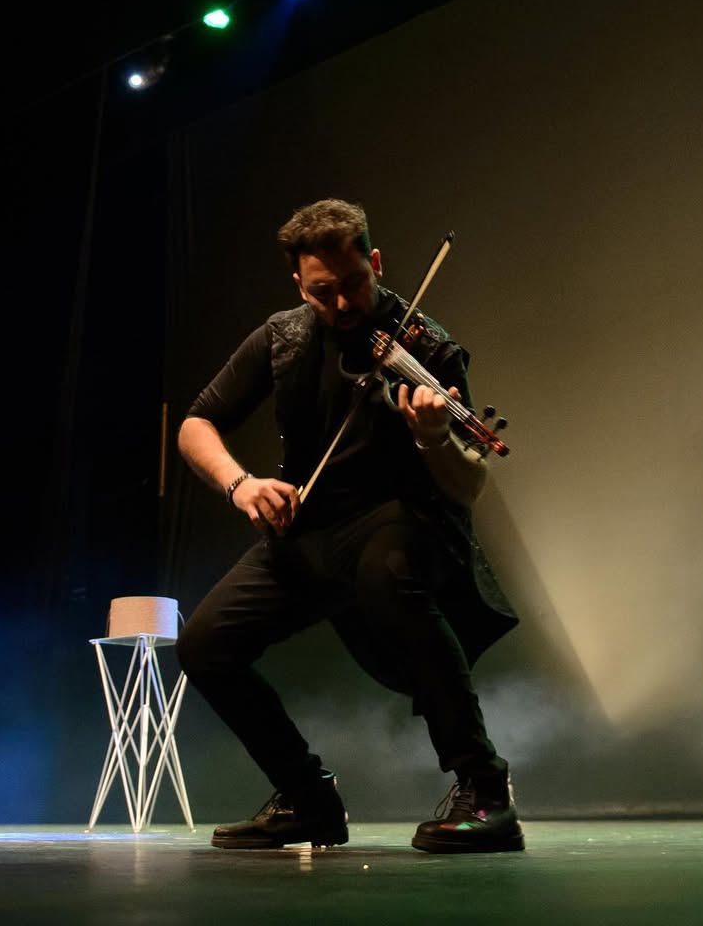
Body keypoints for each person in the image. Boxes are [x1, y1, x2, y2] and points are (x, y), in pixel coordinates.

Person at [176, 198, 522, 854]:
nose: (340, 306)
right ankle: (307, 798)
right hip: (308, 528)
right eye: (322, 292)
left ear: (376, 262)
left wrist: (433, 439)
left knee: (388, 575)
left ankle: (484, 786)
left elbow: (470, 483)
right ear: (300, 285)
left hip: (401, 518)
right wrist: (241, 484)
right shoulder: (282, 336)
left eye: (354, 284)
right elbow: (197, 422)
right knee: (203, 646)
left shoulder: (429, 348)